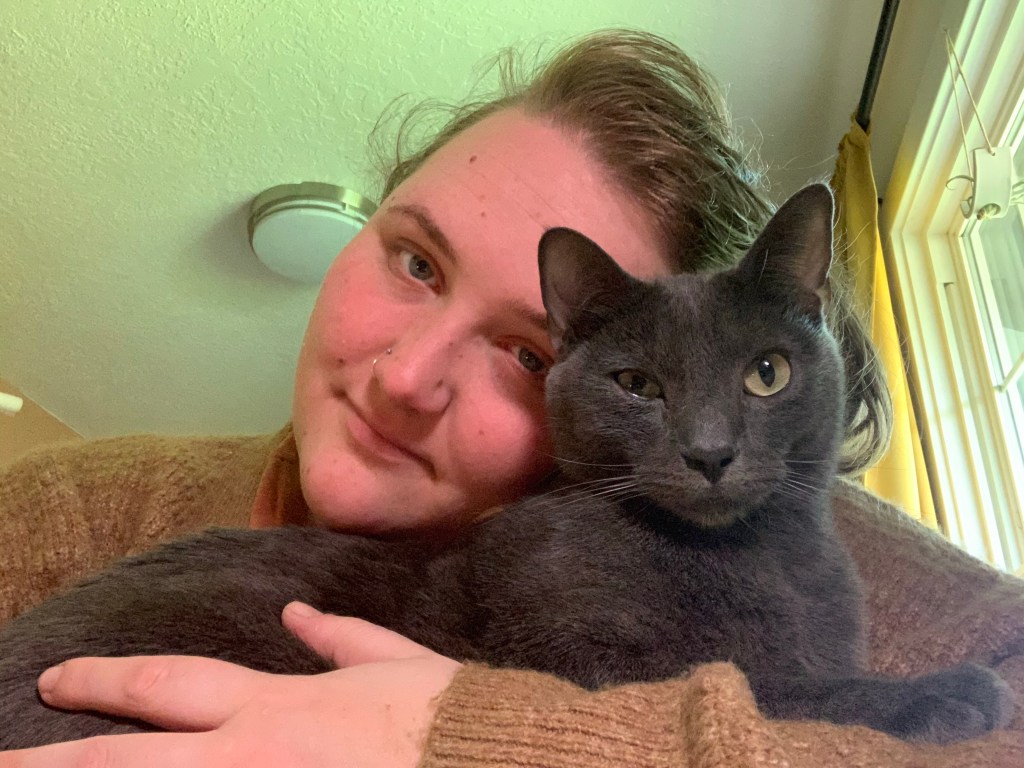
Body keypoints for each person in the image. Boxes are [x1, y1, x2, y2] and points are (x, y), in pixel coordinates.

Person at [1, 28, 1021, 768]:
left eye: (526, 352)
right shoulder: (84, 506)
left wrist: (475, 738)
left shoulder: (776, 531)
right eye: (416, 260)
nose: (406, 377)